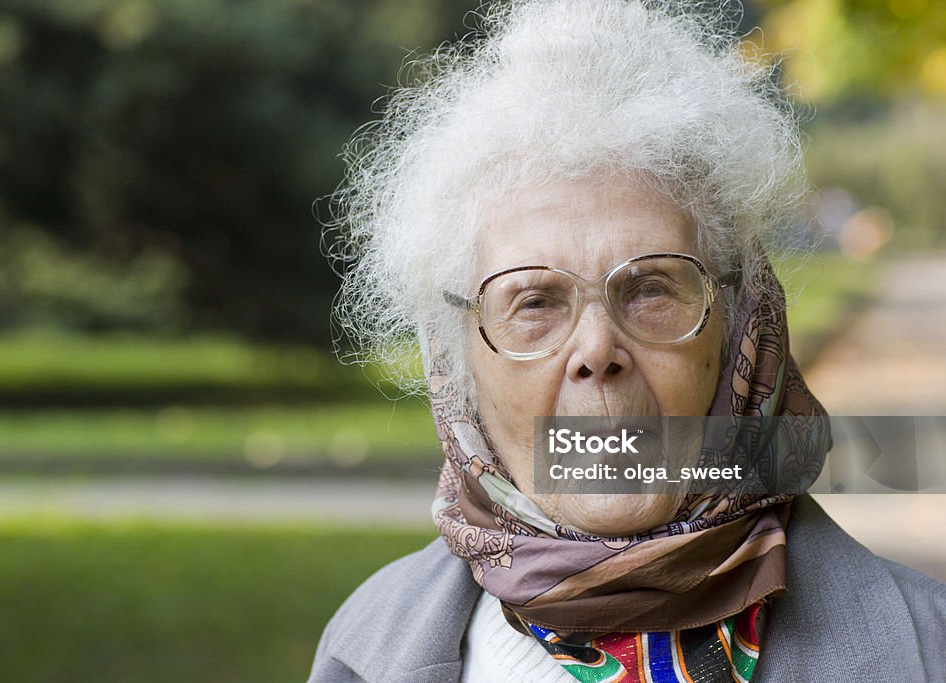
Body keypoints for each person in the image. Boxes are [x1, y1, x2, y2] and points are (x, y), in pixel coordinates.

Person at [311, 1, 946, 681]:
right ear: (458, 358)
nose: (596, 349)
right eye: (534, 301)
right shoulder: (365, 651)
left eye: (650, 288)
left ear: (741, 330)